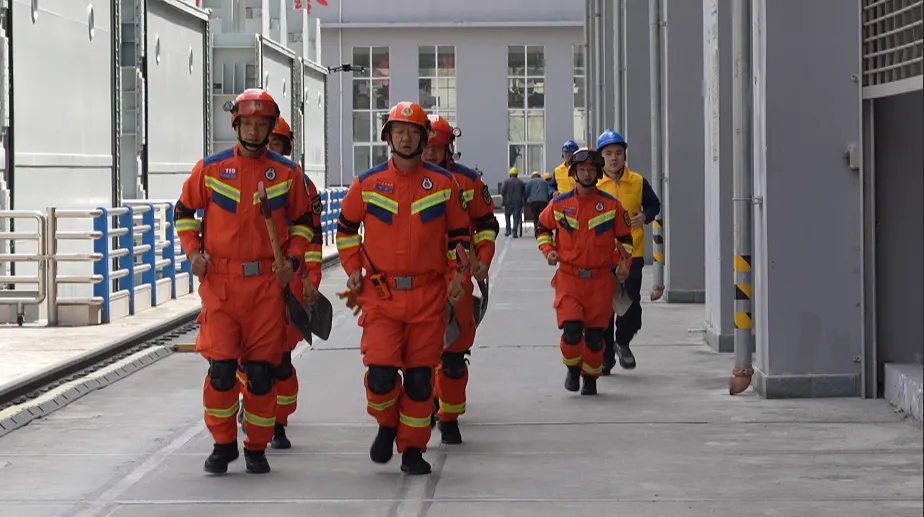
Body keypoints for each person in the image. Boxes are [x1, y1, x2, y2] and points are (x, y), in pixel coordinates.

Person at [174, 89, 316, 474]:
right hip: (220, 287)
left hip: (266, 289)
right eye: (247, 123)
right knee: (221, 372)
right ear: (236, 125)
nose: (254, 131)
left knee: (261, 374)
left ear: (271, 127)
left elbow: (304, 223)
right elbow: (184, 212)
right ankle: (223, 444)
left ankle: (256, 446)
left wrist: (293, 260)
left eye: (261, 124)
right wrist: (193, 253)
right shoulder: (210, 169)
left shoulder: (287, 174)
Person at [335, 101, 471, 475]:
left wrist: (458, 278)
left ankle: (412, 449)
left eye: (413, 132)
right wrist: (353, 268)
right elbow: (345, 230)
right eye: (399, 131)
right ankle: (387, 423)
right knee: (381, 377)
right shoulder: (367, 183)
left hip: (428, 297)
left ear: (424, 139)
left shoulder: (444, 184)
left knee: (419, 381)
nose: (406, 138)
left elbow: (460, 237)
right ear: (388, 137)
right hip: (381, 297)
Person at [421, 114, 499, 444]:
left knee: (453, 356)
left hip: (458, 276)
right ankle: (425, 405)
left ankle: (449, 418)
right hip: (417, 280)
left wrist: (483, 259)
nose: (430, 154)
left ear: (448, 148)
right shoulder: (399, 181)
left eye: (437, 148)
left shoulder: (468, 181)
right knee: (421, 355)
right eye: (426, 147)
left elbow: (487, 224)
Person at [535, 148, 634, 395]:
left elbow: (625, 239)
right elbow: (542, 228)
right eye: (582, 169)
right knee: (571, 332)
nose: (587, 174)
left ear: (598, 173)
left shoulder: (612, 206)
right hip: (569, 279)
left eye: (591, 169)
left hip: (600, 282)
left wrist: (624, 264)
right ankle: (572, 369)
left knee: (595, 338)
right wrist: (549, 251)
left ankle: (590, 378)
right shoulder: (559, 204)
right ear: (574, 172)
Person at [264, 115, 325, 449]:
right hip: (248, 284)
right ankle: (254, 407)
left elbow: (312, 240)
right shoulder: (238, 178)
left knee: (281, 358)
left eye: (276, 143)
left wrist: (310, 280)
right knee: (243, 359)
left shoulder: (301, 186)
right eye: (266, 141)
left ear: (286, 147)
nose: (269, 148)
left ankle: (278, 422)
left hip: (288, 280)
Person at [594, 130, 661, 374]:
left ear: (624, 155)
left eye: (618, 153)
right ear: (601, 157)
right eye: (609, 153)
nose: (614, 158)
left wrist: (645, 216)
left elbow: (654, 204)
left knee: (630, 307)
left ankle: (622, 342)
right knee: (604, 307)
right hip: (601, 256)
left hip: (632, 254)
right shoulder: (594, 184)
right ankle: (605, 357)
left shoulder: (638, 181)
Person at [500, 168, 525, 237]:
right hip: (517, 203)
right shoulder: (520, 182)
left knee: (507, 216)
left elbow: (502, 191)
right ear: (517, 174)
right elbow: (523, 192)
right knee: (516, 217)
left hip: (508, 202)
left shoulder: (506, 181)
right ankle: (514, 232)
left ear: (510, 174)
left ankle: (508, 231)